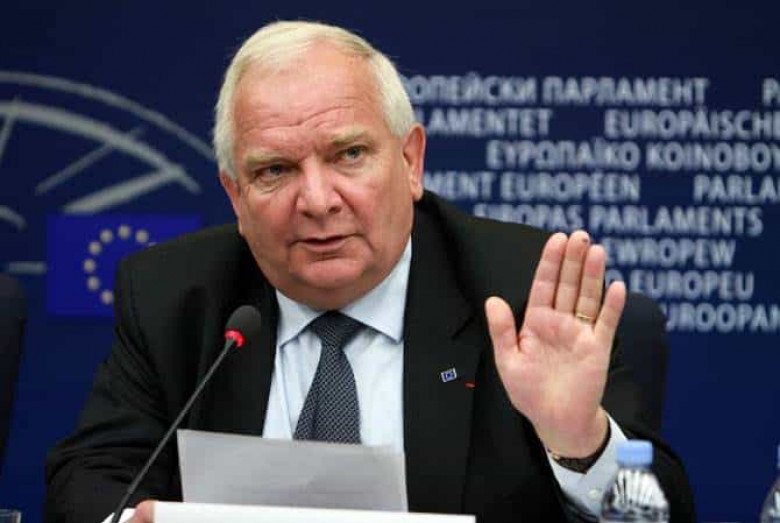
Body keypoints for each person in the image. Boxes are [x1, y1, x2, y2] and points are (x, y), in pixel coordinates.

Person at [44, 21, 695, 523]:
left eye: (349, 154)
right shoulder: (175, 295)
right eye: (275, 170)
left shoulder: (523, 295)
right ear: (235, 195)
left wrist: (581, 443)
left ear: (411, 163)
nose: (317, 199)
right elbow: (90, 476)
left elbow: (660, 511)